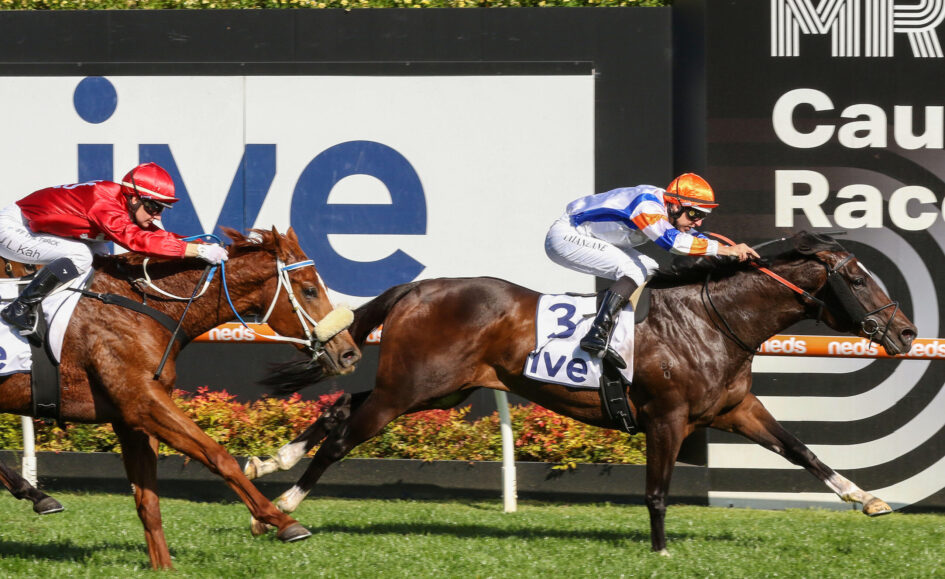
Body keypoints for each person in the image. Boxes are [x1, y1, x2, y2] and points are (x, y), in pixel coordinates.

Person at [545, 173, 759, 369]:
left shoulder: (669, 207)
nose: (698, 222)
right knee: (631, 270)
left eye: (703, 215)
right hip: (567, 236)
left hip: (590, 236)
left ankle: (614, 329)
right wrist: (726, 250)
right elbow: (673, 243)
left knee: (649, 268)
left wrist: (729, 253)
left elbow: (693, 238)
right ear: (675, 206)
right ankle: (597, 333)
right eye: (694, 214)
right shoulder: (646, 206)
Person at [0, 162, 228, 336]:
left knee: (102, 259)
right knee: (81, 256)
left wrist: (200, 246)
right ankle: (20, 308)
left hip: (37, 228)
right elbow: (137, 241)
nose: (157, 215)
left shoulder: (121, 202)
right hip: (13, 227)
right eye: (153, 207)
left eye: (162, 209)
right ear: (134, 198)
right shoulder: (104, 203)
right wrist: (197, 252)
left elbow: (155, 236)